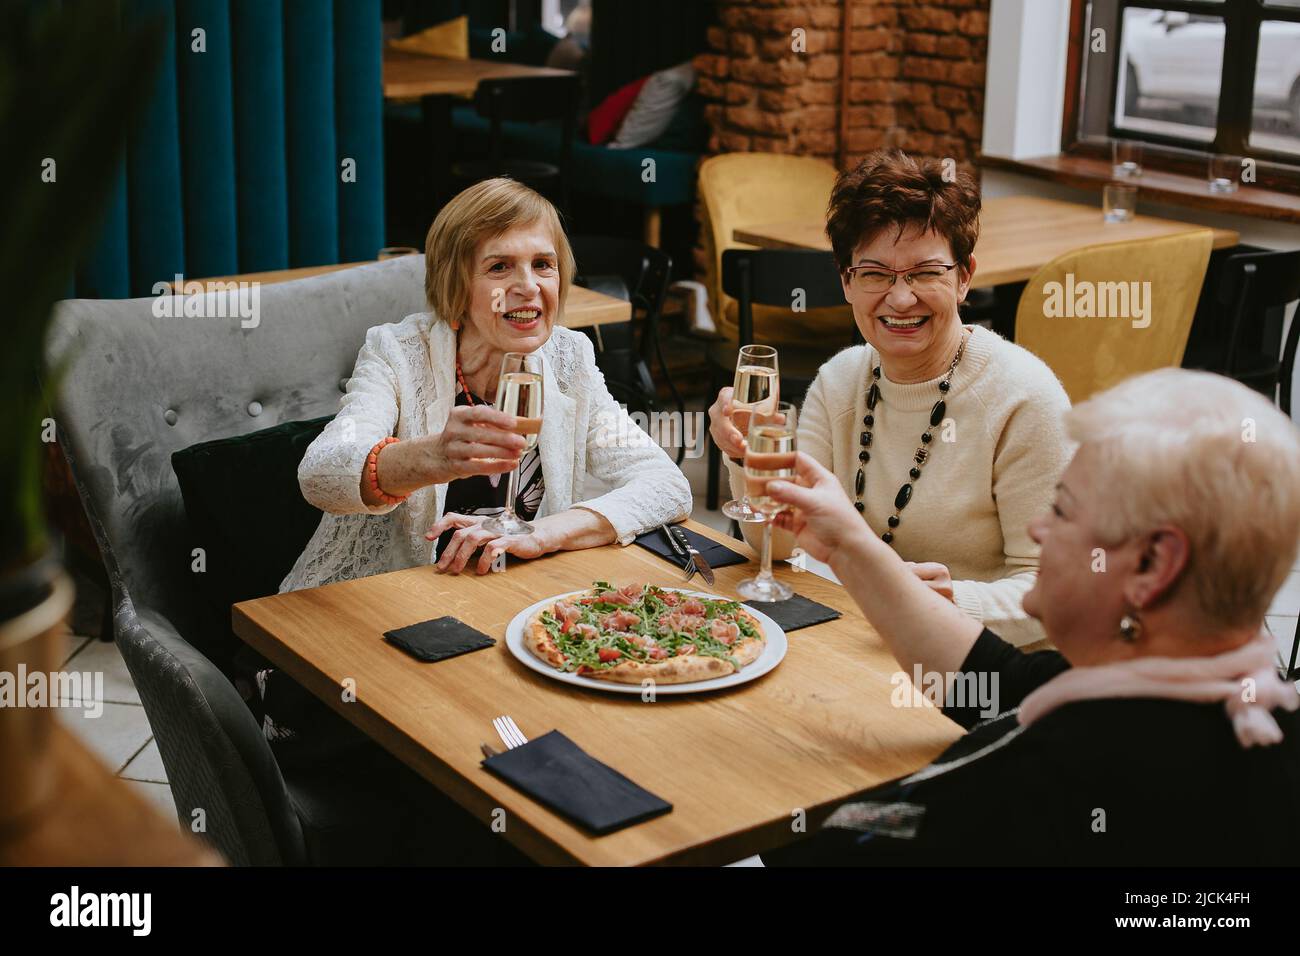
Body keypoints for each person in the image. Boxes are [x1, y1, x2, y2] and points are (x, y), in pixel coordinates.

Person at [761, 368, 1300, 865]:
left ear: (1152, 565)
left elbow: (827, 846)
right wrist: (847, 544)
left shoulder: (1041, 793)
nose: (1039, 529)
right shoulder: (1229, 701)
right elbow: (998, 683)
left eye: (1063, 510)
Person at [710, 149, 1070, 645]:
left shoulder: (1025, 398)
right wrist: (743, 454)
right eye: (876, 274)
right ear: (846, 282)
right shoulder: (839, 381)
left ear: (964, 277)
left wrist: (956, 603)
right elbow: (783, 547)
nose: (900, 299)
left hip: (978, 665)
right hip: (850, 635)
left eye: (925, 273)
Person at [281, 177, 692, 591]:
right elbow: (321, 474)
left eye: (543, 265)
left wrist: (544, 534)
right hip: (372, 599)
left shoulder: (570, 358)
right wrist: (433, 457)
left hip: (503, 596)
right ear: (456, 286)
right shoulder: (397, 351)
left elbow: (665, 483)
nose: (528, 286)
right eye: (499, 267)